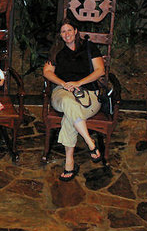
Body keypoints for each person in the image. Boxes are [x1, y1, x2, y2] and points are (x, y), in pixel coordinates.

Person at [43, 18, 104, 182]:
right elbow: (47, 72)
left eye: (69, 30)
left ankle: (69, 162)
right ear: (60, 34)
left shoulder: (89, 47)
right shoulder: (57, 50)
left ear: (76, 31)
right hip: (62, 93)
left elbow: (100, 71)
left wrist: (79, 83)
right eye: (63, 31)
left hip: (88, 94)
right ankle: (90, 142)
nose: (67, 34)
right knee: (69, 103)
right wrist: (63, 83)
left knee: (70, 115)